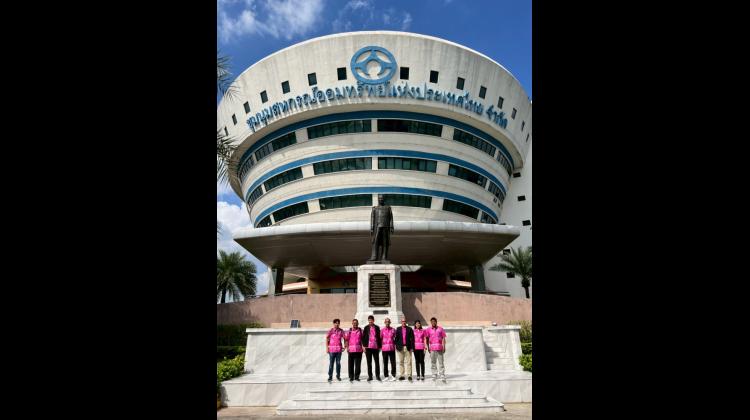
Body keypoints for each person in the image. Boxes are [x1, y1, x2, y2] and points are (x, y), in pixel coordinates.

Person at [425, 317, 447, 382]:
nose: (433, 323)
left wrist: (444, 346)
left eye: (434, 321)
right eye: (432, 322)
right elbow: (427, 339)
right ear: (431, 322)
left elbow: (443, 338)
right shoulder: (428, 330)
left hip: (439, 348)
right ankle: (434, 374)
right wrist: (428, 347)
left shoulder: (440, 329)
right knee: (433, 362)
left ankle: (442, 374)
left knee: (441, 362)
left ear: (436, 322)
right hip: (432, 348)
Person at [361, 315, 382, 382]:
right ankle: (370, 376)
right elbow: (363, 338)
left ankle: (378, 376)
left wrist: (380, 347)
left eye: (371, 320)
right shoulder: (366, 328)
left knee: (377, 362)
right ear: (368, 321)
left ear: (373, 320)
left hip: (375, 347)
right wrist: (363, 346)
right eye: (369, 320)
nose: (370, 321)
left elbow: (379, 337)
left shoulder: (377, 327)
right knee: (369, 363)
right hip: (368, 347)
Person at [394, 316, 414, 381]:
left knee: (409, 362)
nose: (404, 322)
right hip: (400, 347)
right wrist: (396, 346)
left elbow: (412, 339)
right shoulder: (398, 329)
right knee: (401, 362)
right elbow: (396, 338)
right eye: (402, 321)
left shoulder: (409, 329)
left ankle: (409, 375)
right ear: (401, 322)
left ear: (406, 322)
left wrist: (412, 347)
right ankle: (402, 375)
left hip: (408, 347)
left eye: (405, 321)